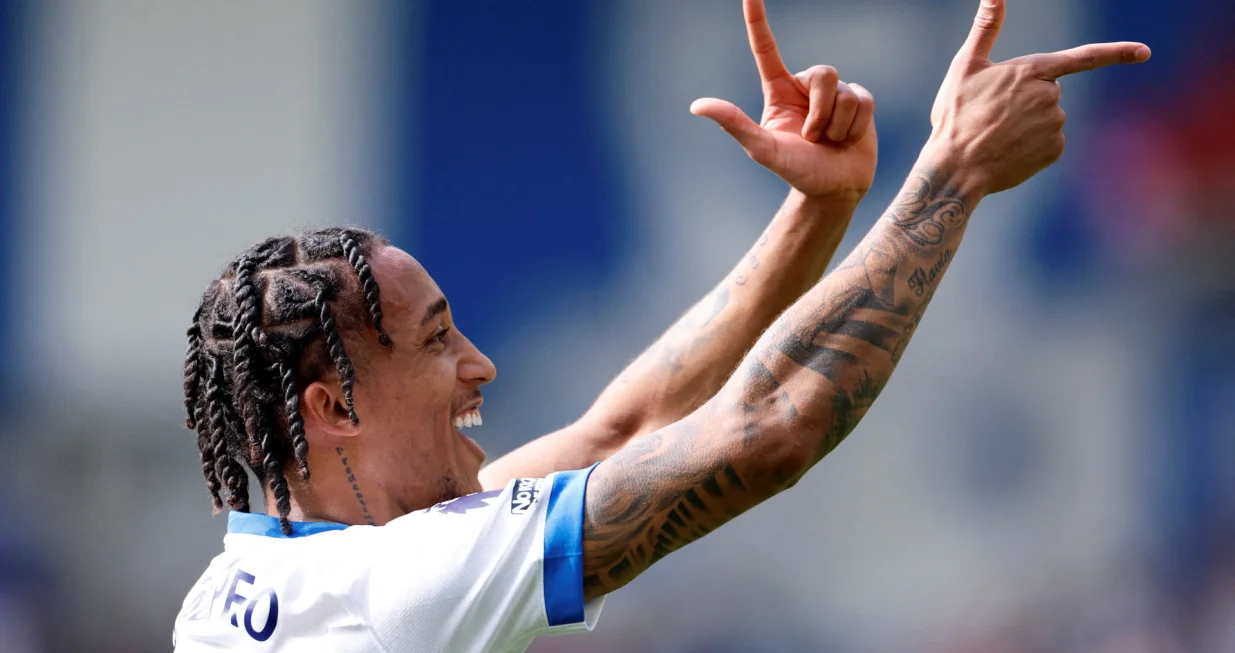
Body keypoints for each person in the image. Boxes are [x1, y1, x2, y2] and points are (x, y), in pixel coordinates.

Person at [172, 0, 1150, 650]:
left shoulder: (248, 589)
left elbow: (622, 424)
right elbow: (767, 430)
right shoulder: (400, 586)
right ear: (333, 406)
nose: (479, 365)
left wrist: (818, 209)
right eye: (435, 340)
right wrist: (950, 172)